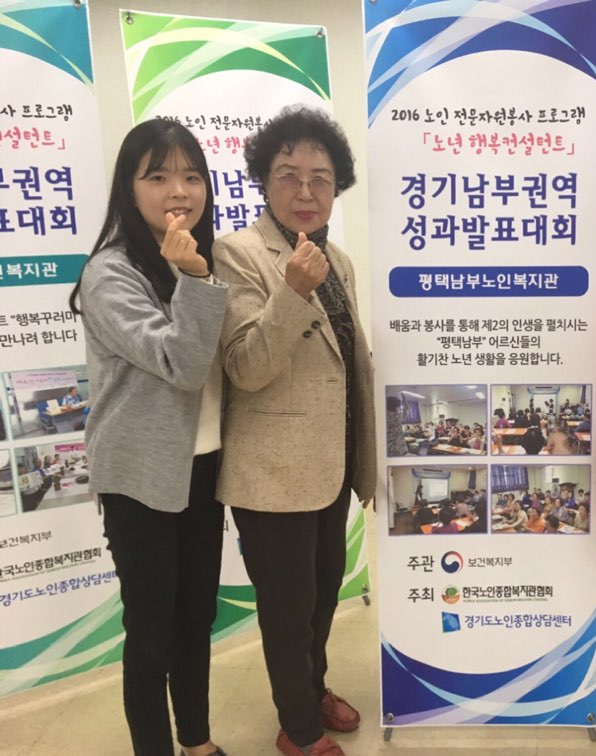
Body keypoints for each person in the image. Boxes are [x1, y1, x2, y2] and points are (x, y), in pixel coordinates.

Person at [214, 106, 376, 756]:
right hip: (273, 474)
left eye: (320, 178)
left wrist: (365, 459)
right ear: (263, 180)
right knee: (287, 611)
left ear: (337, 187)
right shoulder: (237, 253)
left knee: (322, 596)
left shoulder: (338, 258)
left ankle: (312, 688)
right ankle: (299, 728)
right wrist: (292, 293)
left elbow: (347, 367)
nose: (305, 191)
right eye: (289, 176)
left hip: (329, 466)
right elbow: (245, 367)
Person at [69, 120, 229, 756]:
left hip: (203, 468)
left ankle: (197, 741)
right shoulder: (110, 273)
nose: (178, 191)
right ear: (128, 189)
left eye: (191, 176)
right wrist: (196, 278)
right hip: (139, 478)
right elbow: (181, 363)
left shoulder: (197, 262)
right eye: (157, 176)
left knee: (196, 620)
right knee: (152, 632)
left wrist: (196, 274)